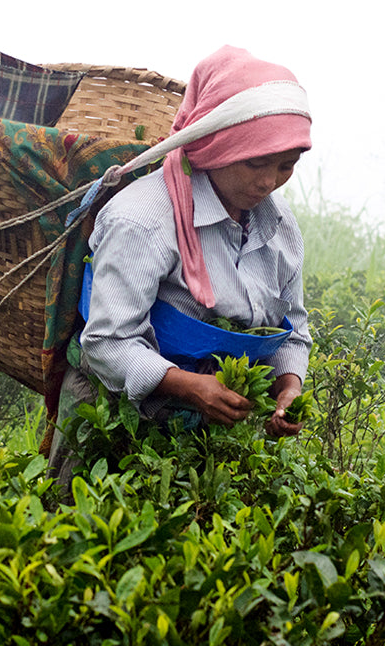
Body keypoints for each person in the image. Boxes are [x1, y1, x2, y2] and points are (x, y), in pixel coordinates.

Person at [49, 45, 312, 482]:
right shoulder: (143, 219)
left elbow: (293, 330)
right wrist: (189, 387)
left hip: (207, 424)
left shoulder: (279, 227)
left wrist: (288, 387)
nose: (268, 182)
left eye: (286, 166)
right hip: (110, 409)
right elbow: (108, 343)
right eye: (256, 163)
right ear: (215, 147)